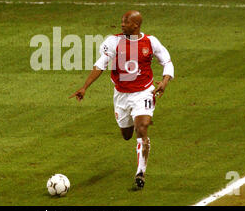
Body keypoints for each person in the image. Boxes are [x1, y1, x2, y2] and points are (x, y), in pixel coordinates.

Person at [69, 10, 174, 189]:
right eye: (122, 22)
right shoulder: (113, 42)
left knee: (142, 128)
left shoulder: (150, 41)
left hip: (143, 93)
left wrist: (165, 81)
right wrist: (85, 87)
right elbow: (101, 64)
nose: (122, 25)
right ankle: (134, 123)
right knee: (126, 135)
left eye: (126, 22)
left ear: (136, 25)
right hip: (121, 95)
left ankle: (140, 173)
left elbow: (167, 62)